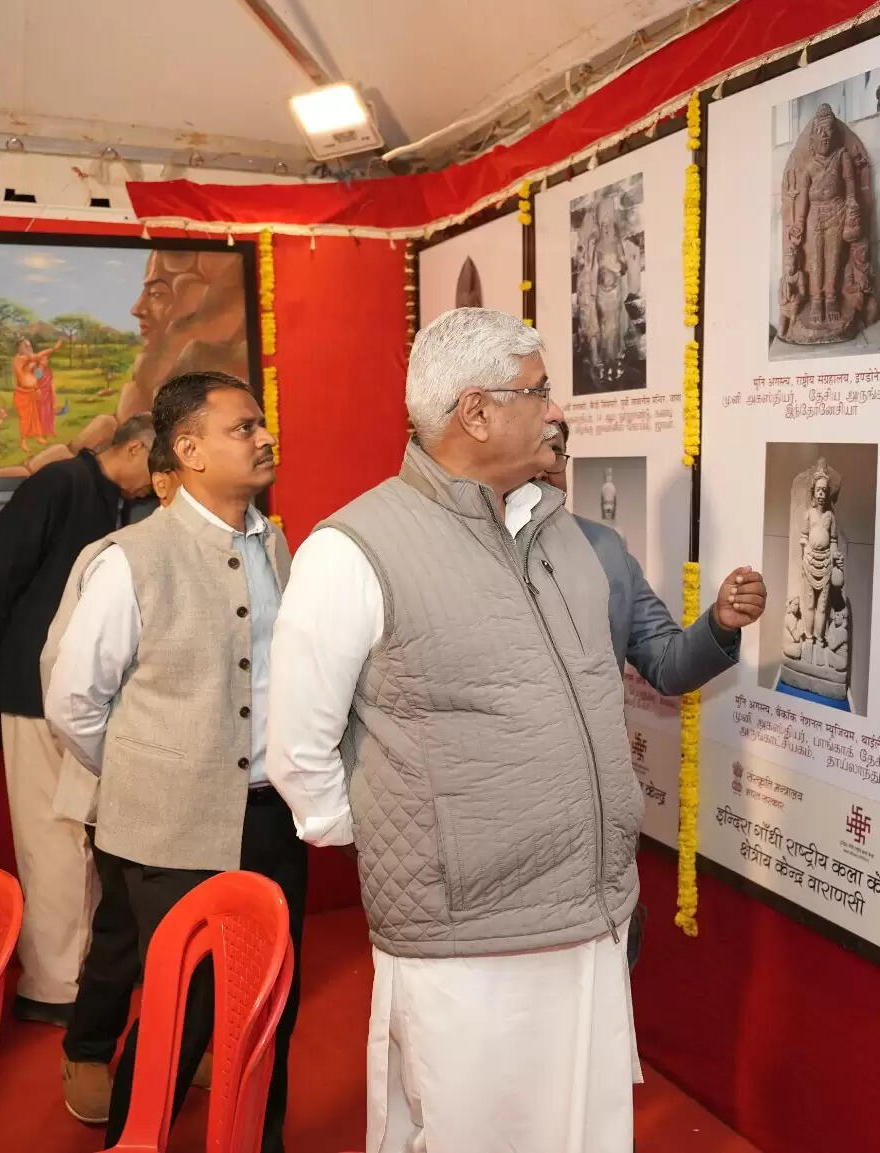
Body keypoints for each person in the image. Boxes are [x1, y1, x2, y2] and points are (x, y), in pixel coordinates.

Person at [268, 307, 641, 1153]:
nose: (554, 410)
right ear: (475, 412)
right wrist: (413, 830)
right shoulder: (355, 547)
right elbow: (298, 749)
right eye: (538, 391)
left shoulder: (560, 536)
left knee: (582, 1129)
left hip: (588, 917)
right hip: (464, 939)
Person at [44, 372, 298, 1153]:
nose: (263, 437)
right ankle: (135, 1138)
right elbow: (74, 704)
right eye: (242, 427)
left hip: (268, 815)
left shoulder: (277, 541)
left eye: (262, 424)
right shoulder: (128, 558)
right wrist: (147, 773)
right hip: (165, 830)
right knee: (183, 1010)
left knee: (270, 1007)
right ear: (187, 450)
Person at [544, 421, 766, 969]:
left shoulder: (604, 550)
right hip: (510, 838)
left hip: (599, 831)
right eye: (541, 450)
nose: (552, 469)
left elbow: (666, 665)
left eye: (559, 454)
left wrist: (718, 623)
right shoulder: (470, 558)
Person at [0, 415, 154, 1032]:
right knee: (51, 837)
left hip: (82, 693)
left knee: (87, 837)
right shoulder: (60, 485)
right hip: (31, 688)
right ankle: (53, 983)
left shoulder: (116, 502)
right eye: (160, 464)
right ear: (132, 447)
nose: (164, 480)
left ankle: (86, 973)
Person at [48, 432, 188, 1124]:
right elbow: (66, 682)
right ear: (163, 481)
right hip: (128, 790)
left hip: (208, 796)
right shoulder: (111, 560)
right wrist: (128, 765)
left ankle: (182, 1046)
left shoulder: (251, 549)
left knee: (193, 931)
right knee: (123, 932)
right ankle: (90, 1046)